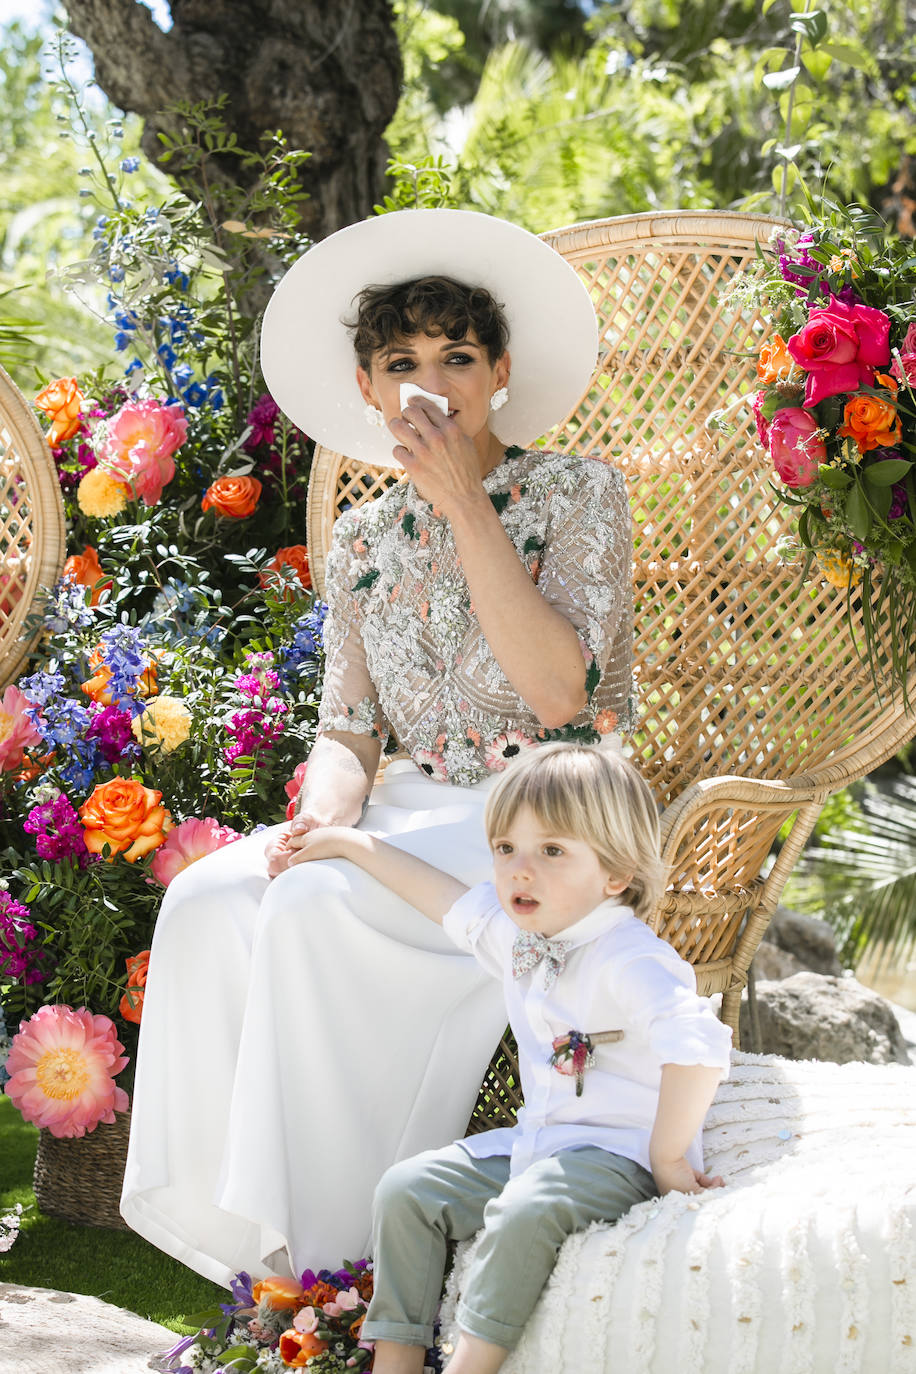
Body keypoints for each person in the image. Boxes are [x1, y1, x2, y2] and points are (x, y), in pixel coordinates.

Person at [120, 209, 636, 1286]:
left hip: (548, 807)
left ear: (498, 372)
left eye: (457, 357)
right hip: (409, 805)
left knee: (315, 911)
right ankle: (250, 1259)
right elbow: (348, 724)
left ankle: (340, 1270)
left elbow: (558, 695)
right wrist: (321, 816)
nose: (429, 383)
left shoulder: (577, 492)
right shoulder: (359, 538)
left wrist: (463, 506)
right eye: (401, 362)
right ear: (367, 387)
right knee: (212, 899)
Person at [293, 743, 733, 1374]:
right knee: (406, 1191)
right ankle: (395, 1363)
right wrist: (348, 844)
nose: (520, 870)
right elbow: (444, 899)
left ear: (615, 874)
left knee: (526, 1211)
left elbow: (697, 1044)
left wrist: (668, 1157)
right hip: (543, 1142)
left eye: (551, 851)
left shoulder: (628, 957)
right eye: (505, 849)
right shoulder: (523, 936)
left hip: (619, 1153)